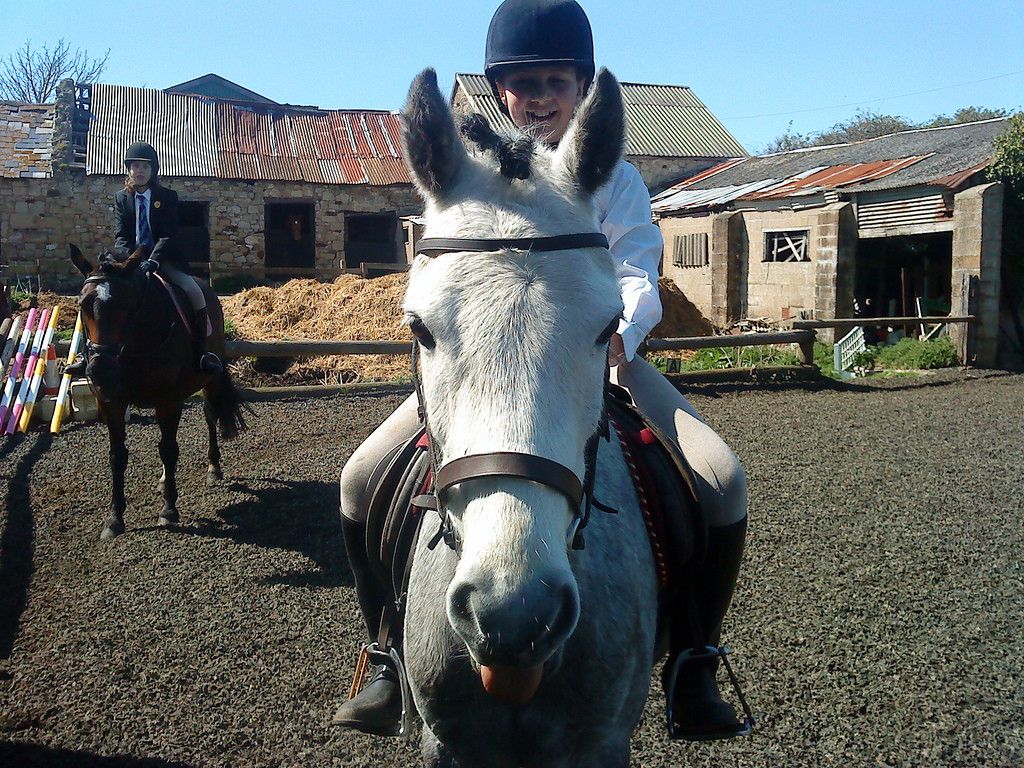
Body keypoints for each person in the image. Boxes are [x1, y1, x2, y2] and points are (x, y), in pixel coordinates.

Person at [333, 0, 749, 741]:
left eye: (556, 81)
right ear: (501, 92)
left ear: (581, 88)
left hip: (601, 358)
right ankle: (385, 654)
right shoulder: (462, 175)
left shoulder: (610, 177)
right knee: (360, 478)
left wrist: (620, 329)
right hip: (480, 374)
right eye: (524, 84)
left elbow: (637, 267)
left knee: (721, 478)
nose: (540, 97)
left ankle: (694, 660)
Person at [114, 142, 222, 375]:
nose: (140, 171)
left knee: (194, 292)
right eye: (136, 166)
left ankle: (203, 352)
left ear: (153, 170)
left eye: (145, 166)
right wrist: (130, 259)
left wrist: (153, 260)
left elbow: (169, 234)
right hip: (132, 262)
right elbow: (121, 235)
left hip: (165, 260)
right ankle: (89, 354)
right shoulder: (121, 198)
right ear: (129, 169)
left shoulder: (168, 197)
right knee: (101, 297)